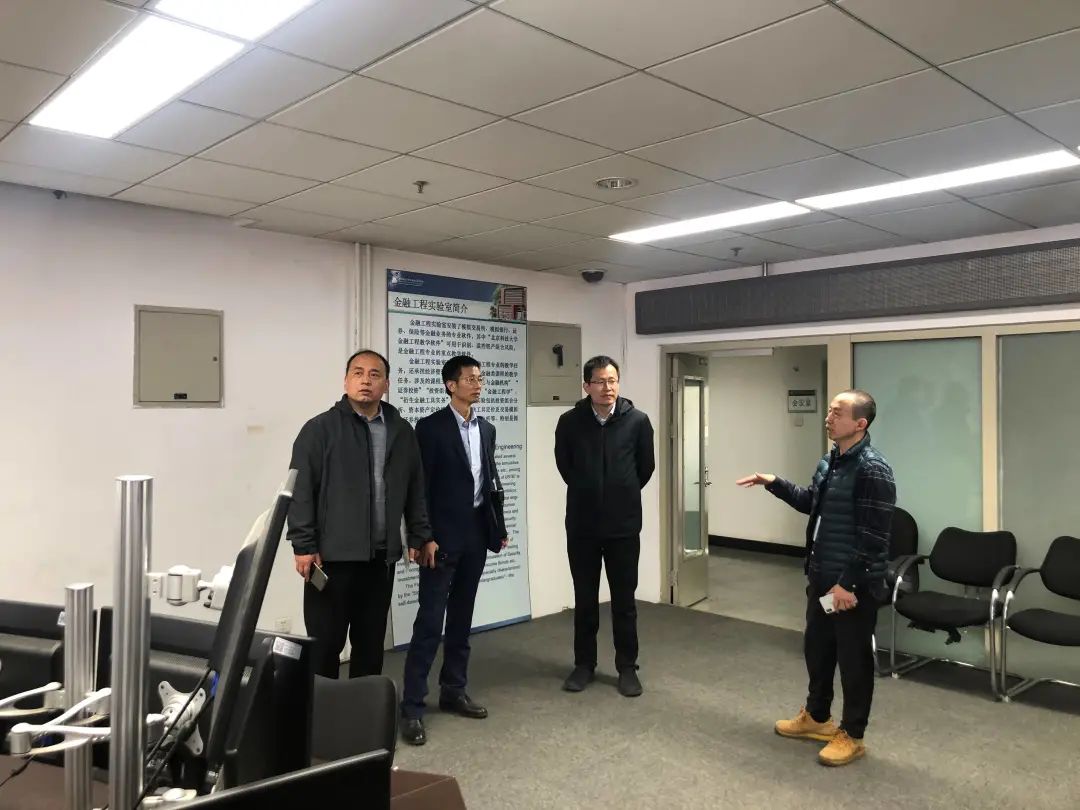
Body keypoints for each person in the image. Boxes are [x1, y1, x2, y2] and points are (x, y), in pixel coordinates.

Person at [737, 389, 895, 766]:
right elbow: (811, 503)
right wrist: (774, 482)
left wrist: (848, 583)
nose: (829, 418)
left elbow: (874, 537)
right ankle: (817, 717)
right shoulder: (831, 461)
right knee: (818, 649)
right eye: (830, 411)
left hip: (852, 586)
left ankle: (853, 734)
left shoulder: (873, 469)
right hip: (823, 578)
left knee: (853, 661)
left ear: (860, 423)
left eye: (837, 413)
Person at [287, 349, 431, 679]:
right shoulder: (319, 429)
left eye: (374, 374)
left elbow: (415, 487)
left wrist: (419, 534)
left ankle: (362, 709)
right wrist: (303, 545)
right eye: (358, 373)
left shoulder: (401, 431)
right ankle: (320, 709)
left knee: (370, 646)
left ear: (386, 384)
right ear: (346, 381)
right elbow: (300, 491)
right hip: (331, 559)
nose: (366, 380)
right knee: (325, 645)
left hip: (380, 561)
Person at [400, 356, 508, 746]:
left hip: (476, 536)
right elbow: (418, 488)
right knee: (430, 622)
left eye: (480, 378)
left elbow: (490, 481)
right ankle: (412, 706)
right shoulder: (430, 428)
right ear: (451, 385)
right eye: (470, 379)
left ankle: (453, 690)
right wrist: (421, 537)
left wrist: (498, 527)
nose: (477, 384)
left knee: (462, 619)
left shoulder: (487, 429)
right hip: (440, 540)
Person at [555, 355, 655, 697]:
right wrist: (589, 491)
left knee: (624, 601)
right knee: (585, 599)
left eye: (612, 380)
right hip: (582, 526)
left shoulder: (638, 421)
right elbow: (565, 466)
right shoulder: (569, 422)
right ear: (587, 386)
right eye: (599, 381)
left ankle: (627, 667)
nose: (607, 387)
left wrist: (620, 492)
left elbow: (645, 468)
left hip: (623, 527)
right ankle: (584, 664)